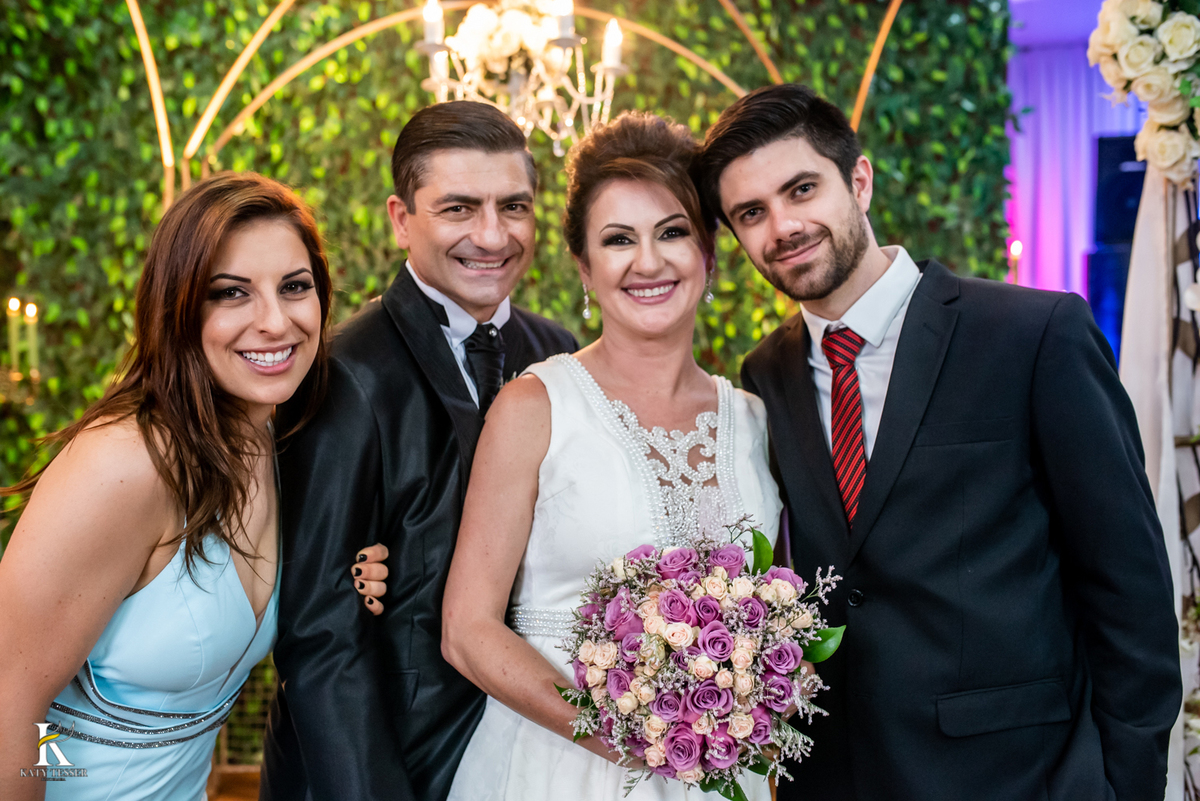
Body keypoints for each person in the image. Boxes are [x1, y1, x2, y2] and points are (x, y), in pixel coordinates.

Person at [692, 83, 1181, 800]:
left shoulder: (1034, 335)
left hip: (1019, 774)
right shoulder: (765, 373)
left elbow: (1129, 585)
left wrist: (1121, 783)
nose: (784, 226)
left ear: (858, 181)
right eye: (752, 213)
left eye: (801, 189)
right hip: (838, 775)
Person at [0, 172, 386, 801]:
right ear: (177, 308)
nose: (275, 321)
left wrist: (354, 573)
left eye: (295, 287)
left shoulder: (284, 444)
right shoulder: (124, 464)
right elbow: (10, 704)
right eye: (232, 293)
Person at [441, 112, 782, 801]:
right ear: (585, 268)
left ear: (710, 254)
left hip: (717, 781)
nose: (648, 262)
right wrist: (629, 737)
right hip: (553, 772)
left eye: (673, 232)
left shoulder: (755, 421)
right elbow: (467, 632)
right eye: (618, 239)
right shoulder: (535, 406)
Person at [260, 101, 578, 801]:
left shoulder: (558, 354)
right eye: (459, 208)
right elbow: (320, 638)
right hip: (390, 763)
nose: (492, 235)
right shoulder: (344, 371)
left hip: (527, 754)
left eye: (513, 207)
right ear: (402, 218)